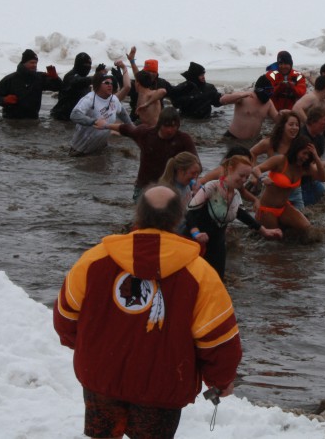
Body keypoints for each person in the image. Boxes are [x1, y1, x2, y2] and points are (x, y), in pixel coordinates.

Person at [53, 185, 241, 439]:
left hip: (101, 379)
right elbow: (219, 339)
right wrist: (219, 381)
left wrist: (92, 348)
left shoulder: (93, 261)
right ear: (178, 218)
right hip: (162, 389)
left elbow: (65, 318)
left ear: (138, 215)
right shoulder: (200, 274)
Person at [185, 153, 282, 279]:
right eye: (241, 175)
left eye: (247, 177)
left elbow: (240, 214)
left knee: (217, 280)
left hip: (217, 244)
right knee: (193, 279)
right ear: (230, 169)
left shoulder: (236, 194)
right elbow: (189, 213)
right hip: (195, 242)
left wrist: (263, 230)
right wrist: (196, 233)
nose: (243, 180)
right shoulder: (211, 187)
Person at [108, 106, 199, 201]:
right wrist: (106, 125)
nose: (170, 130)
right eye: (166, 126)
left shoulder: (183, 139)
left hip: (172, 187)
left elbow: (196, 164)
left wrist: (194, 181)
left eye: (173, 126)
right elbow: (127, 129)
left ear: (178, 126)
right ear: (160, 124)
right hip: (145, 187)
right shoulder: (146, 134)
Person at [254, 137, 325, 231]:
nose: (306, 157)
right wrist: (262, 178)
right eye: (304, 153)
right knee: (274, 240)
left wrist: (316, 157)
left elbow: (323, 178)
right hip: (267, 209)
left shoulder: (303, 168)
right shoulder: (280, 160)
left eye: (309, 155)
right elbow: (256, 169)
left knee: (308, 229)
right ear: (296, 150)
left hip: (284, 208)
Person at [69, 71, 133, 156]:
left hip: (101, 148)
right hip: (80, 150)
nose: (110, 85)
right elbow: (74, 115)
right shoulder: (89, 99)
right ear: (98, 84)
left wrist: (133, 128)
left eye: (111, 83)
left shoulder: (114, 99)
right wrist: (94, 121)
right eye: (106, 83)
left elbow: (122, 113)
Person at [0, 49, 62, 119]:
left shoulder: (40, 78)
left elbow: (58, 87)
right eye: (31, 62)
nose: (34, 65)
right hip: (11, 120)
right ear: (24, 63)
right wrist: (4, 100)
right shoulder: (10, 79)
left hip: (33, 119)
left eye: (35, 63)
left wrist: (55, 78)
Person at [168, 62, 244, 120]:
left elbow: (217, 101)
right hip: (187, 119)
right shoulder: (183, 87)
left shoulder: (209, 88)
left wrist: (230, 98)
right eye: (201, 75)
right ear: (194, 76)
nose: (203, 77)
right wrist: (193, 98)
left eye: (203, 74)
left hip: (206, 119)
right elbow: (175, 104)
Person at [299, 106, 325, 206]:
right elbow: (300, 165)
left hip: (313, 180)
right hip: (299, 184)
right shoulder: (301, 138)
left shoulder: (320, 137)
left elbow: (315, 161)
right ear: (312, 122)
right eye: (322, 124)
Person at [223, 75, 281, 141]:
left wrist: (283, 114)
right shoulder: (245, 97)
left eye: (271, 90)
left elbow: (277, 120)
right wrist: (240, 95)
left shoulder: (268, 103)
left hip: (253, 141)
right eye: (268, 90)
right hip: (232, 139)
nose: (270, 93)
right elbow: (222, 100)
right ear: (259, 89)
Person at [50, 52, 94, 121]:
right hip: (62, 118)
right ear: (79, 64)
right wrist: (96, 78)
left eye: (89, 65)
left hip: (76, 118)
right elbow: (77, 82)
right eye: (85, 64)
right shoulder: (70, 76)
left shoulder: (84, 79)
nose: (88, 67)